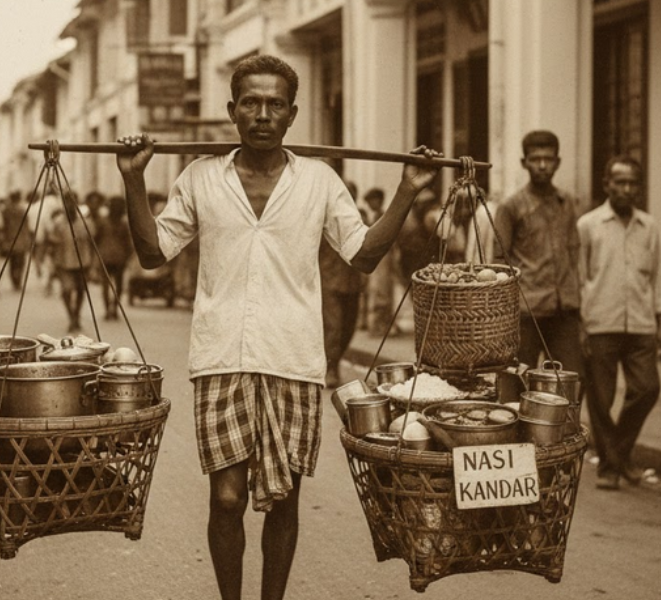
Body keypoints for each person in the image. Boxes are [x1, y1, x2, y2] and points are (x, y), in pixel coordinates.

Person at [116, 54, 440, 600]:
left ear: (292, 114)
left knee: (284, 497)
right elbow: (153, 253)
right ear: (232, 111)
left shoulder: (319, 180)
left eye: (274, 104)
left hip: (293, 356)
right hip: (221, 355)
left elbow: (361, 255)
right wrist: (133, 179)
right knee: (226, 498)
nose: (262, 114)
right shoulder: (200, 177)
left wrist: (407, 189)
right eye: (250, 103)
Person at [577, 156, 661, 490]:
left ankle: (618, 453)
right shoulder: (588, 225)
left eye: (633, 183)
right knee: (600, 399)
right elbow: (580, 276)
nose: (626, 189)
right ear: (607, 185)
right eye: (620, 182)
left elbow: (658, 276)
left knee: (648, 388)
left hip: (642, 323)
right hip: (600, 321)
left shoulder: (650, 226)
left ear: (639, 188)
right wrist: (581, 324)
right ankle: (611, 467)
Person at [493, 130, 583, 378]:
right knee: (518, 382)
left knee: (572, 381)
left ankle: (569, 420)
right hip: (526, 312)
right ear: (525, 163)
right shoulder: (511, 207)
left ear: (558, 162)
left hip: (564, 310)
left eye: (549, 159)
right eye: (535, 159)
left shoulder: (566, 202)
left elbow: (574, 254)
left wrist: (578, 300)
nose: (542, 166)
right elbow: (499, 262)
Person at [320, 180, 365, 388]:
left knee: (349, 327)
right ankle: (331, 368)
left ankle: (334, 362)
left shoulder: (359, 219)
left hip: (352, 282)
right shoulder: (322, 217)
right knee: (333, 328)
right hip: (328, 280)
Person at [49, 192, 95, 332]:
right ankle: (71, 317)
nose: (69, 205)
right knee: (67, 291)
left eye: (72, 202)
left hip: (83, 262)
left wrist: (93, 263)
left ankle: (76, 315)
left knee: (81, 290)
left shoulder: (85, 222)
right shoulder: (58, 222)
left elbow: (92, 243)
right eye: (67, 202)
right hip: (63, 263)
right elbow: (52, 241)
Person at [363, 187, 398, 337]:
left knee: (382, 290)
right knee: (377, 290)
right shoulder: (375, 217)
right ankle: (378, 324)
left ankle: (382, 325)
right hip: (378, 258)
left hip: (384, 257)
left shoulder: (382, 217)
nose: (371, 204)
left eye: (372, 201)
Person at [94, 194, 134, 320]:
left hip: (108, 257)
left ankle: (109, 309)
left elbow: (95, 239)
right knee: (117, 285)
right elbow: (128, 243)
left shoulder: (106, 222)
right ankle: (113, 309)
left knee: (108, 286)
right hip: (116, 257)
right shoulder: (121, 223)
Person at [1, 190, 32, 290]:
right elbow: (27, 226)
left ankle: (14, 281)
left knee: (12, 262)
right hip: (21, 239)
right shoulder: (23, 210)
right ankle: (18, 281)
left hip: (10, 239)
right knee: (21, 262)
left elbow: (3, 226)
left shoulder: (6, 210)